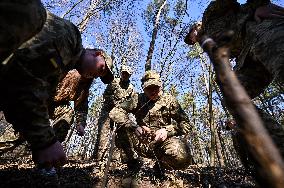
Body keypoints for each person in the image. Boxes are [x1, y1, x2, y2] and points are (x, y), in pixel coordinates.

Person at [0, 11, 114, 170]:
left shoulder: (78, 73)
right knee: (20, 130)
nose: (97, 75)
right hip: (28, 94)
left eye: (100, 76)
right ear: (97, 53)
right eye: (101, 69)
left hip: (37, 101)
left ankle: (47, 162)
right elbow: (26, 82)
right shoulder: (69, 40)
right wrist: (44, 140)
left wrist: (80, 124)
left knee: (65, 113)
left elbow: (81, 106)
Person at [109, 70, 193, 185]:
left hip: (161, 145)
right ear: (143, 88)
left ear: (161, 85)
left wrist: (168, 131)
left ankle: (160, 167)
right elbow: (115, 112)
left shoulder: (170, 101)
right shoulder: (137, 99)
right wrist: (134, 127)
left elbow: (186, 124)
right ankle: (133, 165)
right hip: (141, 142)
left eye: (156, 87)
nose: (153, 91)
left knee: (182, 155)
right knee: (121, 127)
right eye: (149, 88)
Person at [93, 65, 136, 162]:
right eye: (123, 73)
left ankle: (114, 160)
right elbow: (106, 95)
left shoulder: (131, 88)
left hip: (119, 115)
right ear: (121, 73)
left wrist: (124, 108)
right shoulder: (114, 82)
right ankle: (99, 160)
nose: (124, 75)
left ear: (129, 76)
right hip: (107, 112)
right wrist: (115, 102)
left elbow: (132, 102)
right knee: (103, 136)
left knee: (118, 136)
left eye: (127, 74)